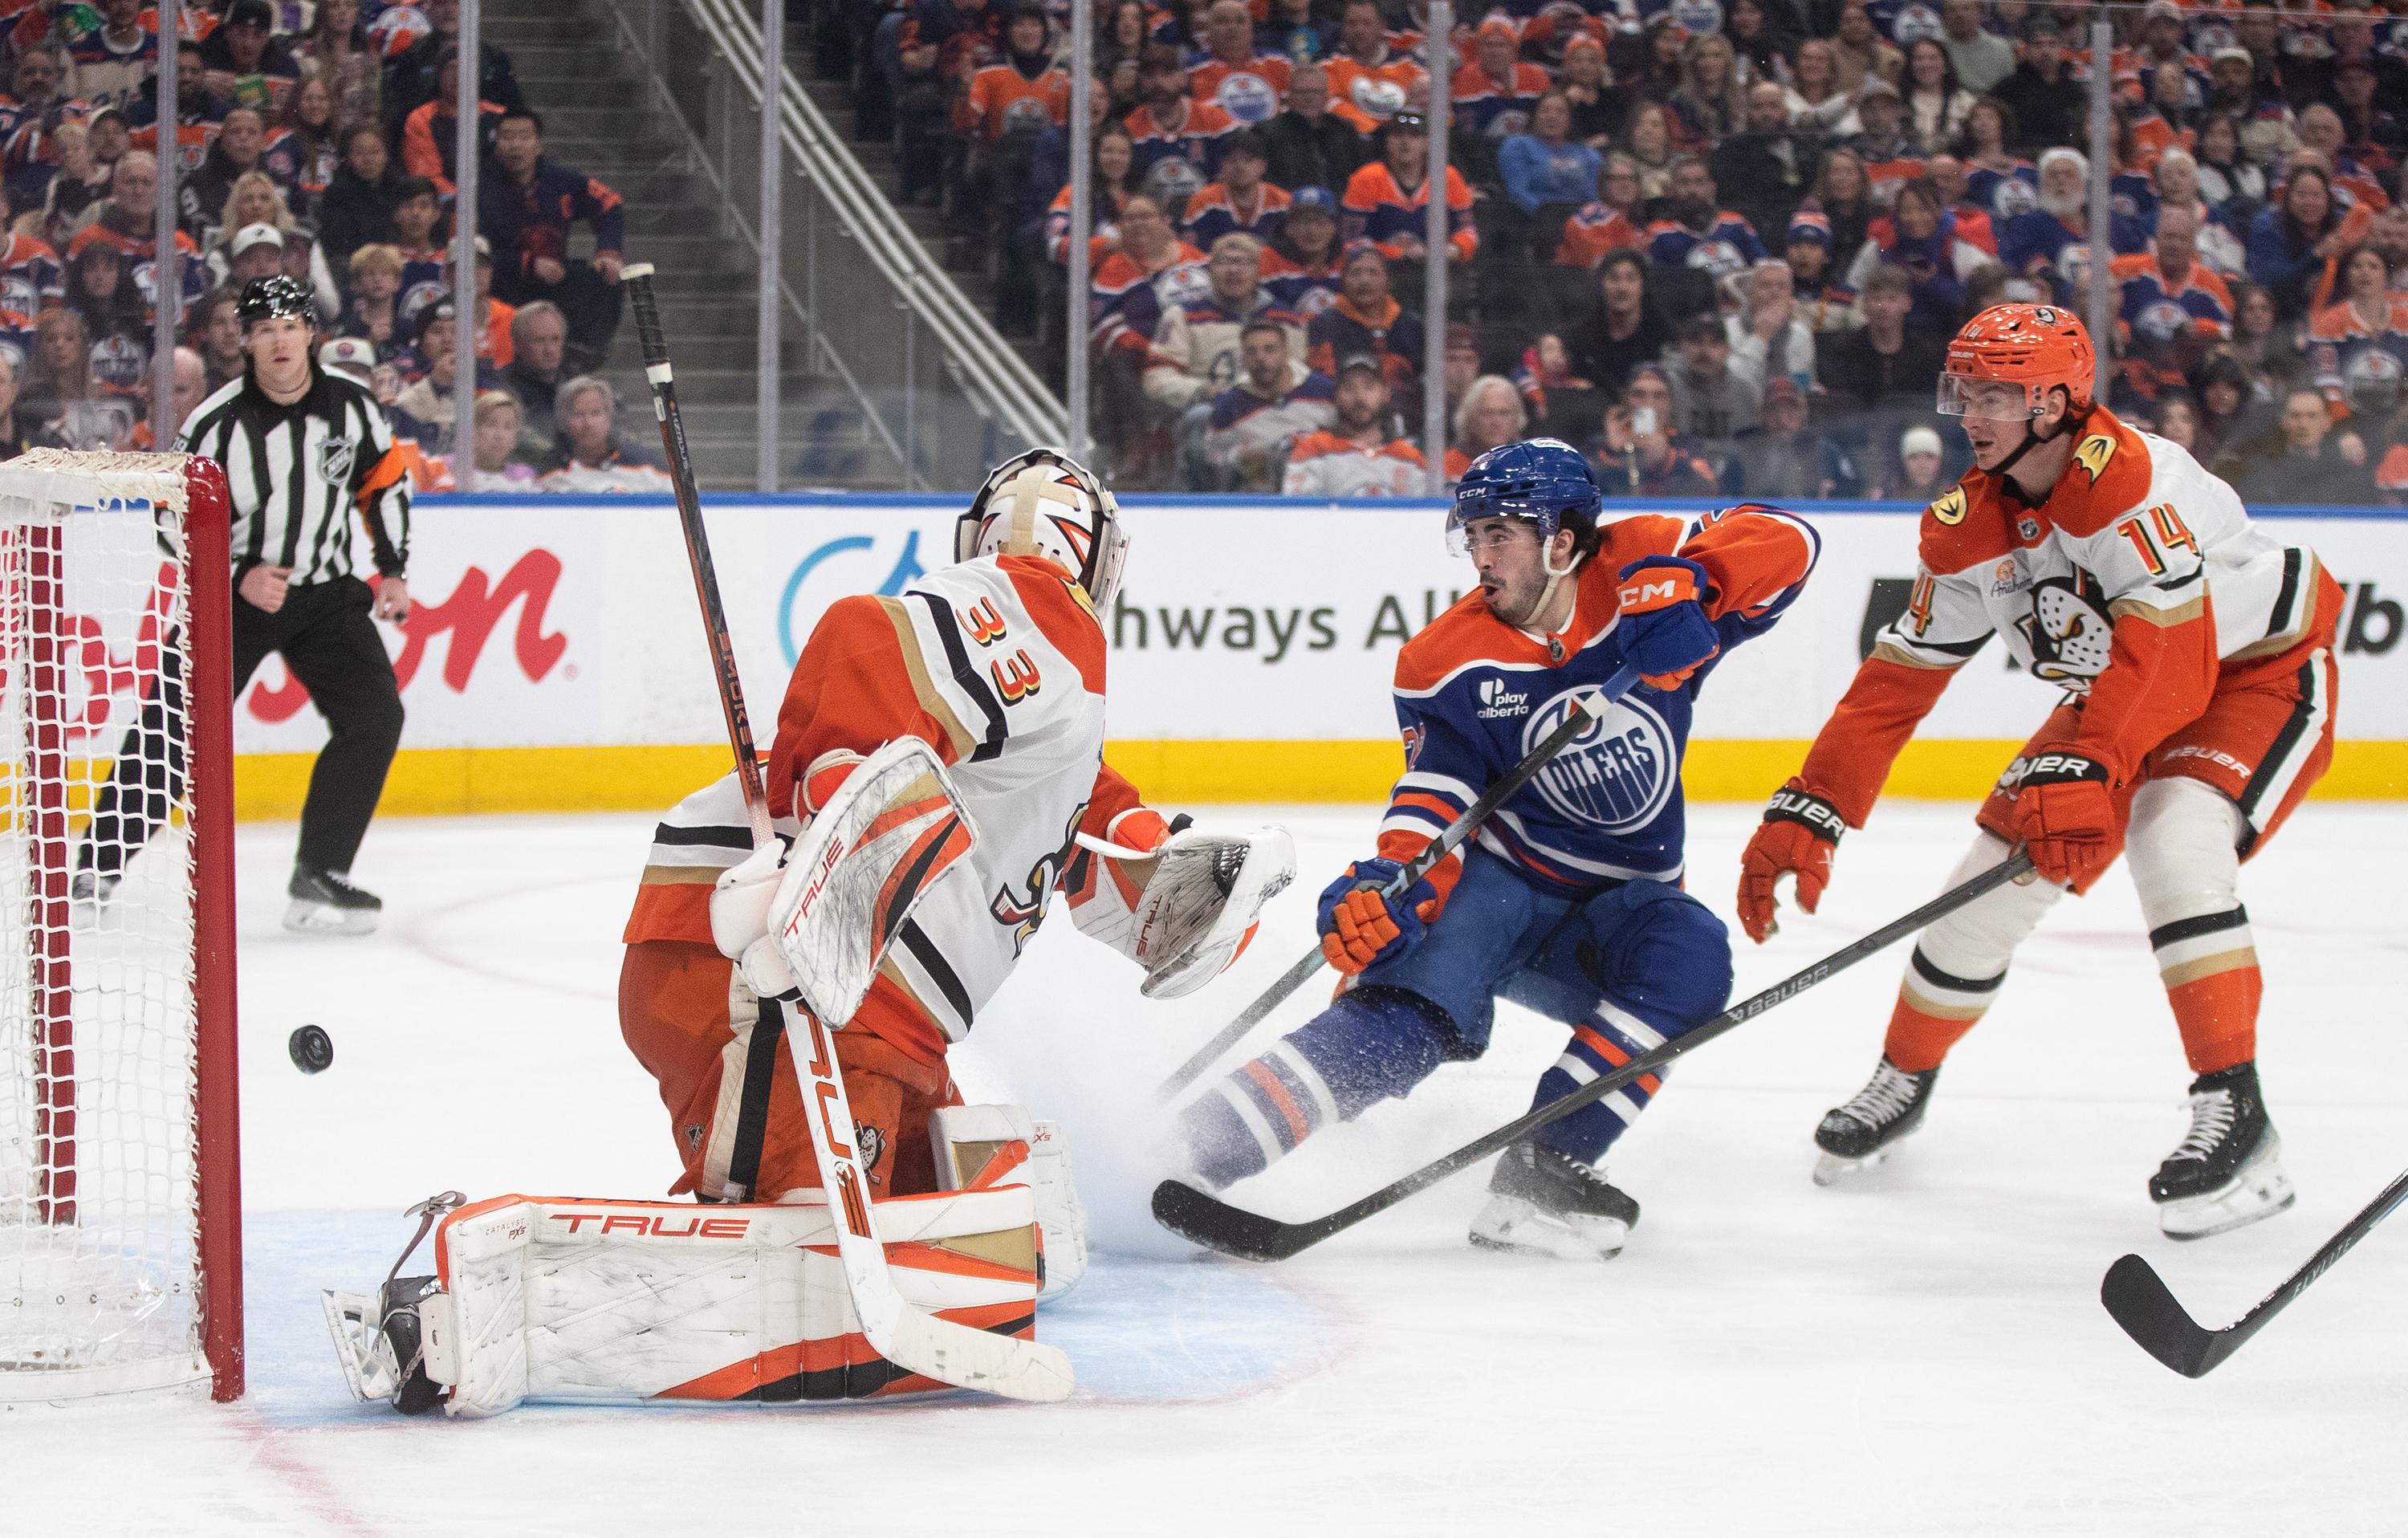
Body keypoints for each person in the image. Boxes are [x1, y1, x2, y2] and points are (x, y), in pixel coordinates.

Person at [1739, 304, 2343, 1240]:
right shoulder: (1971, 523)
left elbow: (2176, 658)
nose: (1972, 414)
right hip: (2123, 685)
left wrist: (2090, 761)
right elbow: (1896, 681)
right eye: (1965, 390)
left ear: (2058, 402)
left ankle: (2239, 1111)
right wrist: (1813, 805)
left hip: (2250, 674)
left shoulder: (2130, 483)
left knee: (2175, 839)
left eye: (1998, 394)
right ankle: (1905, 1073)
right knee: (1983, 885)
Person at [625, 448, 1281, 1256]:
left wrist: (1205, 895)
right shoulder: (1044, 608)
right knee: (811, 1244)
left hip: (876, 1020)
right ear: (1100, 558)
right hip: (776, 977)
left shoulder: (1049, 741)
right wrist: (833, 826)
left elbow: (1110, 850)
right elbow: (868, 636)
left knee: (967, 1238)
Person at [1177, 440, 1815, 1260]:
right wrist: (1393, 878)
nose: (1480, 557)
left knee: (1691, 957)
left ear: (1562, 539)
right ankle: (1199, 1147)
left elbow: (1794, 542)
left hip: (1624, 906)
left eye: (1499, 534)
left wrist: (1702, 581)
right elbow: (1439, 791)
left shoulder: (1647, 562)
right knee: (1403, 1015)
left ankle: (1546, 1170)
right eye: (1471, 535)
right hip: (1501, 887)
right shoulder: (1444, 659)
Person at [80, 275, 411, 932]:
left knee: (376, 718)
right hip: (235, 598)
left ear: (312, 333)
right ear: (246, 341)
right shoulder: (214, 422)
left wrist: (394, 569)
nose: (279, 341)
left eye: (291, 327)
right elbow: (170, 521)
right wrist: (238, 574)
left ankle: (321, 870)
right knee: (172, 728)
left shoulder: (353, 406)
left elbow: (386, 483)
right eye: (265, 330)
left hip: (326, 595)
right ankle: (98, 867)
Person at [1145, 233, 1304, 482]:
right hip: (1212, 410)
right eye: (1225, 262)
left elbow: (1300, 375)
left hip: (1270, 408)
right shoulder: (1183, 316)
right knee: (1201, 417)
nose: (1234, 271)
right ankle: (1203, 500)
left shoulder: (1287, 319)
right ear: (1209, 270)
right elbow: (1156, 377)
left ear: (1259, 271)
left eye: (1244, 263)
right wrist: (1201, 389)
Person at [479, 109, 626, 372]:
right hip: (503, 282)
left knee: (608, 276)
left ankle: (583, 354)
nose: (516, 146)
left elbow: (610, 203)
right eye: (507, 138)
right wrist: (528, 263)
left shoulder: (561, 181)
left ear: (538, 145)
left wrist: (608, 249)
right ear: (496, 144)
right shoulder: (480, 187)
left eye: (524, 137)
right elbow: (465, 252)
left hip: (554, 279)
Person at [1202, 315, 1332, 490]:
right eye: (1252, 352)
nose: (1260, 358)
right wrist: (1239, 458)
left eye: (1270, 350)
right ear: (1243, 359)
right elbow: (1213, 461)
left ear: (1286, 353)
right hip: (1257, 498)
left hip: (1320, 491)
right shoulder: (1229, 405)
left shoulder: (1324, 391)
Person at [1280, 353, 1424, 494]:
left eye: (1369, 387)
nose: (1360, 397)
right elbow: (1300, 513)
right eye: (1349, 388)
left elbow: (1428, 514)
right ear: (1336, 395)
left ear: (1386, 393)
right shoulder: (1314, 449)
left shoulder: (1410, 458)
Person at [1710, 82, 1819, 248]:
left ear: (1785, 110)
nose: (1766, 113)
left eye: (1773, 106)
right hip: (1755, 228)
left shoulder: (1805, 146)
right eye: (1758, 107)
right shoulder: (1731, 149)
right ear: (1748, 112)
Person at [1498, 92, 1599, 265]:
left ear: (1570, 120)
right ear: (1535, 116)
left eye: (1560, 112)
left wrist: (1582, 223)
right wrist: (1553, 219)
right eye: (1545, 111)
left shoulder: (1588, 154)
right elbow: (1518, 192)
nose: (1552, 116)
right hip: (1534, 227)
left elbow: (1593, 197)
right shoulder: (1518, 146)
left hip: (1581, 227)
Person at [2247, 163, 2354, 322]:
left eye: (2316, 195)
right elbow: (2268, 281)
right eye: (2301, 195)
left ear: (2328, 199)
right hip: (2280, 318)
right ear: (2288, 197)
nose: (2309, 202)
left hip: (2333, 315)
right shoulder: (2267, 225)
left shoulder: (2341, 222)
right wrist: (2316, 256)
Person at [1592, 363, 1719, 495]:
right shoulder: (1599, 446)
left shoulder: (1687, 445)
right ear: (1625, 400)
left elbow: (1711, 489)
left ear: (1670, 403)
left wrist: (1666, 457)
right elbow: (1585, 488)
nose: (1649, 404)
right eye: (1639, 394)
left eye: (1658, 396)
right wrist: (1614, 453)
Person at [1644, 154, 1767, 283]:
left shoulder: (1736, 223)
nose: (1692, 190)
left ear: (1711, 187)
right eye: (1684, 182)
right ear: (1670, 189)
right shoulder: (1658, 233)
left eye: (1699, 182)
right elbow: (1656, 284)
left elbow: (1764, 265)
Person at [1568, 246, 1671, 398]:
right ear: (1601, 285)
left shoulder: (1664, 336)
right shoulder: (1581, 339)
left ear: (1643, 286)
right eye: (1613, 279)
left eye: (1631, 279)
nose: (1622, 288)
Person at [539, 375, 672, 492]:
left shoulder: (646, 464)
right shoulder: (550, 468)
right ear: (565, 421)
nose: (588, 423)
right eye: (578, 414)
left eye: (596, 413)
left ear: (609, 418)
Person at [1731, 377, 1857, 498]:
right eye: (1774, 411)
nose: (1782, 420)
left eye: (1790, 411)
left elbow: (1854, 493)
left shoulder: (1826, 452)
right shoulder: (1743, 455)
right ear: (1762, 415)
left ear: (1804, 413)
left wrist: (1835, 493)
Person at [1667, 310, 1761, 458]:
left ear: (1727, 350)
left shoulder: (1745, 391)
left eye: (1714, 344)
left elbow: (1754, 449)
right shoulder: (1667, 388)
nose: (1705, 351)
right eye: (1697, 342)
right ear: (1683, 347)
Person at [1260, 65, 1364, 197]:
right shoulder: (1266, 133)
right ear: (1289, 96)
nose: (1309, 98)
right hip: (1289, 211)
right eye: (1302, 92)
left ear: (1327, 96)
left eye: (1316, 92)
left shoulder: (1345, 130)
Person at [318, 124, 403, 280]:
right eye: (359, 153)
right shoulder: (337, 193)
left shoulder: (401, 190)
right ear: (348, 158)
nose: (368, 159)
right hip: (354, 270)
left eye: (375, 152)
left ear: (386, 155)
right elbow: (336, 245)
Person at [1181, 128, 1290, 249]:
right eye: (1232, 160)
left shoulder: (1283, 202)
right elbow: (1191, 252)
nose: (1240, 167)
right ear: (1222, 165)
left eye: (1248, 160)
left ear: (1262, 166)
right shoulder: (1203, 201)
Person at [1991, 18, 2087, 151]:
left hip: (2064, 159)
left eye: (2052, 44)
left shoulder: (2075, 92)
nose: (2045, 51)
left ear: (2061, 48)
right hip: (2020, 157)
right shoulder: (2008, 88)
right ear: (2027, 49)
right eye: (2038, 45)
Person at [1258, 184, 1344, 316]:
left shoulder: (1349, 258)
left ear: (1334, 227)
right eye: (1303, 222)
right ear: (1289, 228)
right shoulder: (1268, 259)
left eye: (1320, 222)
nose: (1312, 231)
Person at [66, 0, 157, 119]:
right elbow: (67, 107)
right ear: (104, 4)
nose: (124, 5)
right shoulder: (79, 50)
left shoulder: (160, 48)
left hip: (145, 135)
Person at [502, 298, 569, 451]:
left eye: (555, 339)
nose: (549, 350)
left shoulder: (576, 385)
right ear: (518, 344)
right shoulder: (505, 391)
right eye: (539, 341)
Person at [1902, 38, 1977, 157]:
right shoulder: (1898, 100)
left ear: (1946, 65)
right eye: (1918, 59)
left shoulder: (1965, 101)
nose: (1925, 64)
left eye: (1933, 58)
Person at [462, 388, 537, 490]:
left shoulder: (524, 477)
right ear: (474, 430)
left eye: (508, 426)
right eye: (491, 424)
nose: (499, 435)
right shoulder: (445, 470)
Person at [1938, 0, 2015, 96]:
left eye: (1966, 9)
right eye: (1952, 10)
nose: (1959, 14)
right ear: (1944, 16)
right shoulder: (1936, 47)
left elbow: (2010, 89)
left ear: (1979, 14)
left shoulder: (2001, 48)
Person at [1883, 421, 1951, 499]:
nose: (1922, 465)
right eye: (1914, 457)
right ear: (1902, 463)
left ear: (1940, 462)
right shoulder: (1882, 500)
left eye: (1929, 457)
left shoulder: (1959, 501)